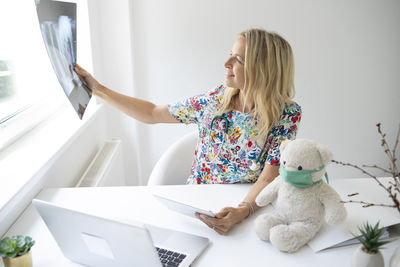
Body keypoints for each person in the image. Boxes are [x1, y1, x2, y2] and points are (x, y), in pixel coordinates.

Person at [74, 28, 302, 235]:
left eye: (238, 59)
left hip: (248, 204)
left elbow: (268, 177)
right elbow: (153, 113)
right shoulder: (215, 101)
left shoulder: (287, 114)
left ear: (262, 70)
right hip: (199, 203)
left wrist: (242, 210)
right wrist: (99, 90)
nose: (226, 63)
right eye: (230, 54)